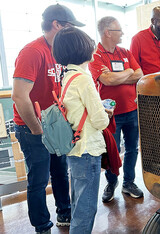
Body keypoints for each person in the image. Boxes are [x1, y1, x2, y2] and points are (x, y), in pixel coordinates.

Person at [11, 4, 84, 233]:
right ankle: (42, 226)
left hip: (55, 125)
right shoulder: (33, 51)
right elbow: (19, 96)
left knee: (61, 173)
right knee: (39, 181)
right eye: (70, 27)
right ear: (57, 25)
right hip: (32, 127)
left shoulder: (61, 52)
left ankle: (65, 214)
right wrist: (36, 129)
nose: (72, 32)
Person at [52, 26, 110, 234]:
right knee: (86, 209)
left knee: (77, 202)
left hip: (75, 149)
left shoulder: (67, 76)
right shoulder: (84, 79)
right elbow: (100, 121)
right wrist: (107, 112)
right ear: (83, 49)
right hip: (87, 150)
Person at [88, 16, 144, 203]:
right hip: (110, 115)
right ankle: (111, 183)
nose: (122, 34)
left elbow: (139, 74)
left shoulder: (125, 51)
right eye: (119, 30)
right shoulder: (95, 55)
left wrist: (122, 75)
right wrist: (127, 72)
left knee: (132, 149)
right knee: (111, 151)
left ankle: (129, 182)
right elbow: (107, 80)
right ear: (108, 32)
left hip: (132, 110)